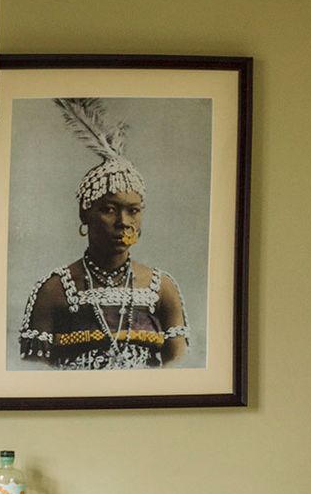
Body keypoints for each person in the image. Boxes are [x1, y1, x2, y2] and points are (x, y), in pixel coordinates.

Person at [18, 99, 189, 369]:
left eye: (133, 211)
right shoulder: (54, 290)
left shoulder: (162, 288)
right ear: (85, 214)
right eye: (109, 209)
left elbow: (182, 372)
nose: (123, 222)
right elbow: (33, 378)